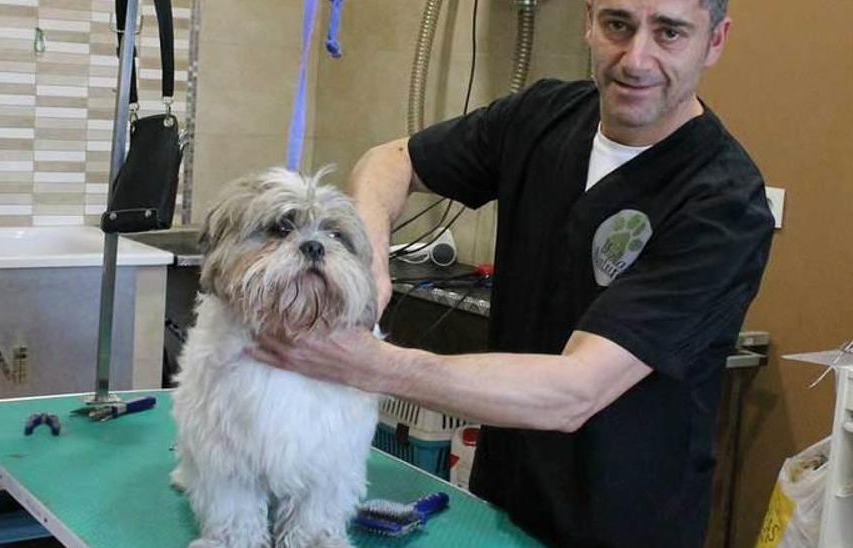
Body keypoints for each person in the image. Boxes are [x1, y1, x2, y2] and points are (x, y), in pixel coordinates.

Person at [251, 0, 774, 545]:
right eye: (618, 24)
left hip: (622, 524)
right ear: (589, 21)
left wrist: (370, 364)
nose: (636, 59)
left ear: (715, 41)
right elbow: (391, 161)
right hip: (502, 505)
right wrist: (369, 259)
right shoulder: (543, 116)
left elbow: (576, 391)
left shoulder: (722, 203)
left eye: (670, 33)